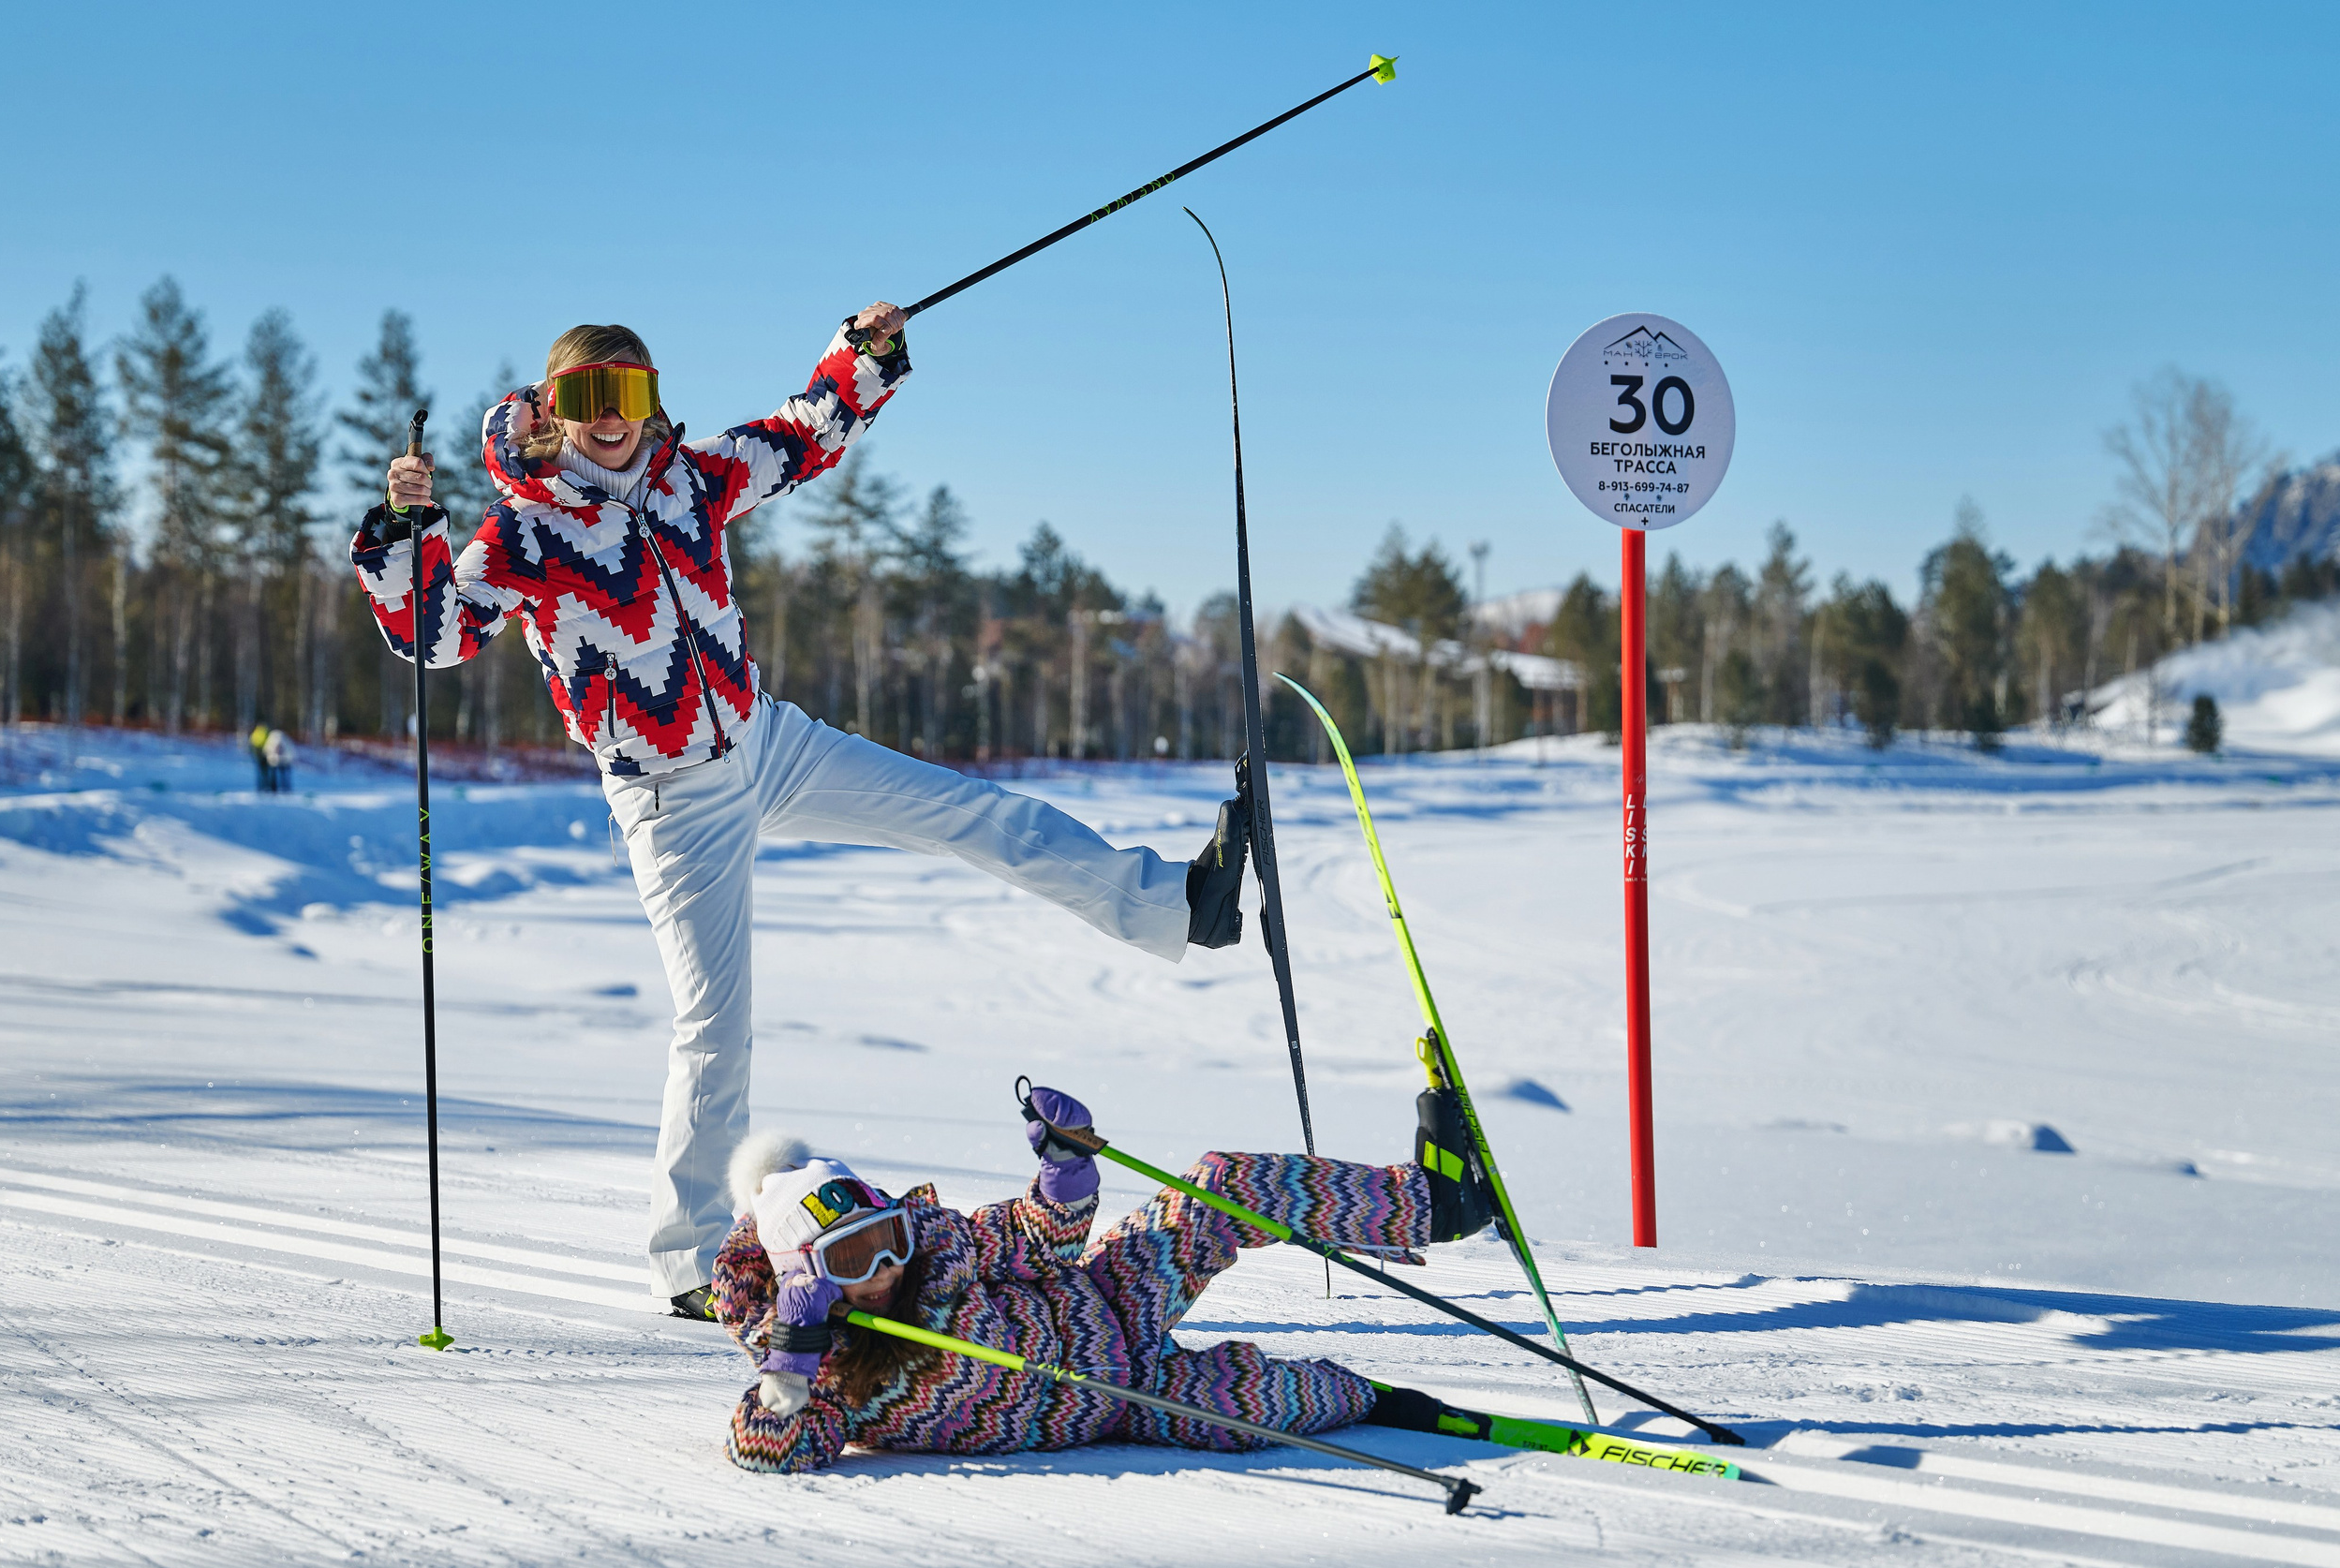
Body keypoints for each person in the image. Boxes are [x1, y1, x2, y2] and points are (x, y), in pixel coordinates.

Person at [351, 307, 1255, 1318]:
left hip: (767, 742)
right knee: (714, 1026)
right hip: (668, 795)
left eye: (631, 395)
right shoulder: (523, 531)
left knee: (972, 811)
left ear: (652, 402)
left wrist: (862, 357)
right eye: (587, 399)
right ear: (553, 412)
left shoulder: (690, 477)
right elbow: (432, 631)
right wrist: (401, 535)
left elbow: (802, 435)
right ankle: (693, 1262)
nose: (612, 419)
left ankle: (1175, 907)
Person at [713, 1086, 1498, 1473]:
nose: (884, 1269)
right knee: (1256, 1404)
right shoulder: (821, 1371)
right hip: (1121, 1403)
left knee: (1216, 1185)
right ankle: (1377, 1399)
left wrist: (1063, 1177)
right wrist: (789, 1365)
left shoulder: (939, 1246)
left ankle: (1431, 1204)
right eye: (852, 1260)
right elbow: (768, 1448)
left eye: (885, 1239)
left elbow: (1033, 1240)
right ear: (805, 1278)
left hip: (1107, 1297)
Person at [263, 727, 295, 794]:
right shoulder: (285, 738)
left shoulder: (271, 739)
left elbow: (265, 749)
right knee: (284, 776)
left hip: (273, 761)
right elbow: (291, 750)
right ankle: (286, 789)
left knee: (273, 776)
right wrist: (289, 759)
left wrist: (269, 757)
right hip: (284, 761)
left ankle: (273, 790)